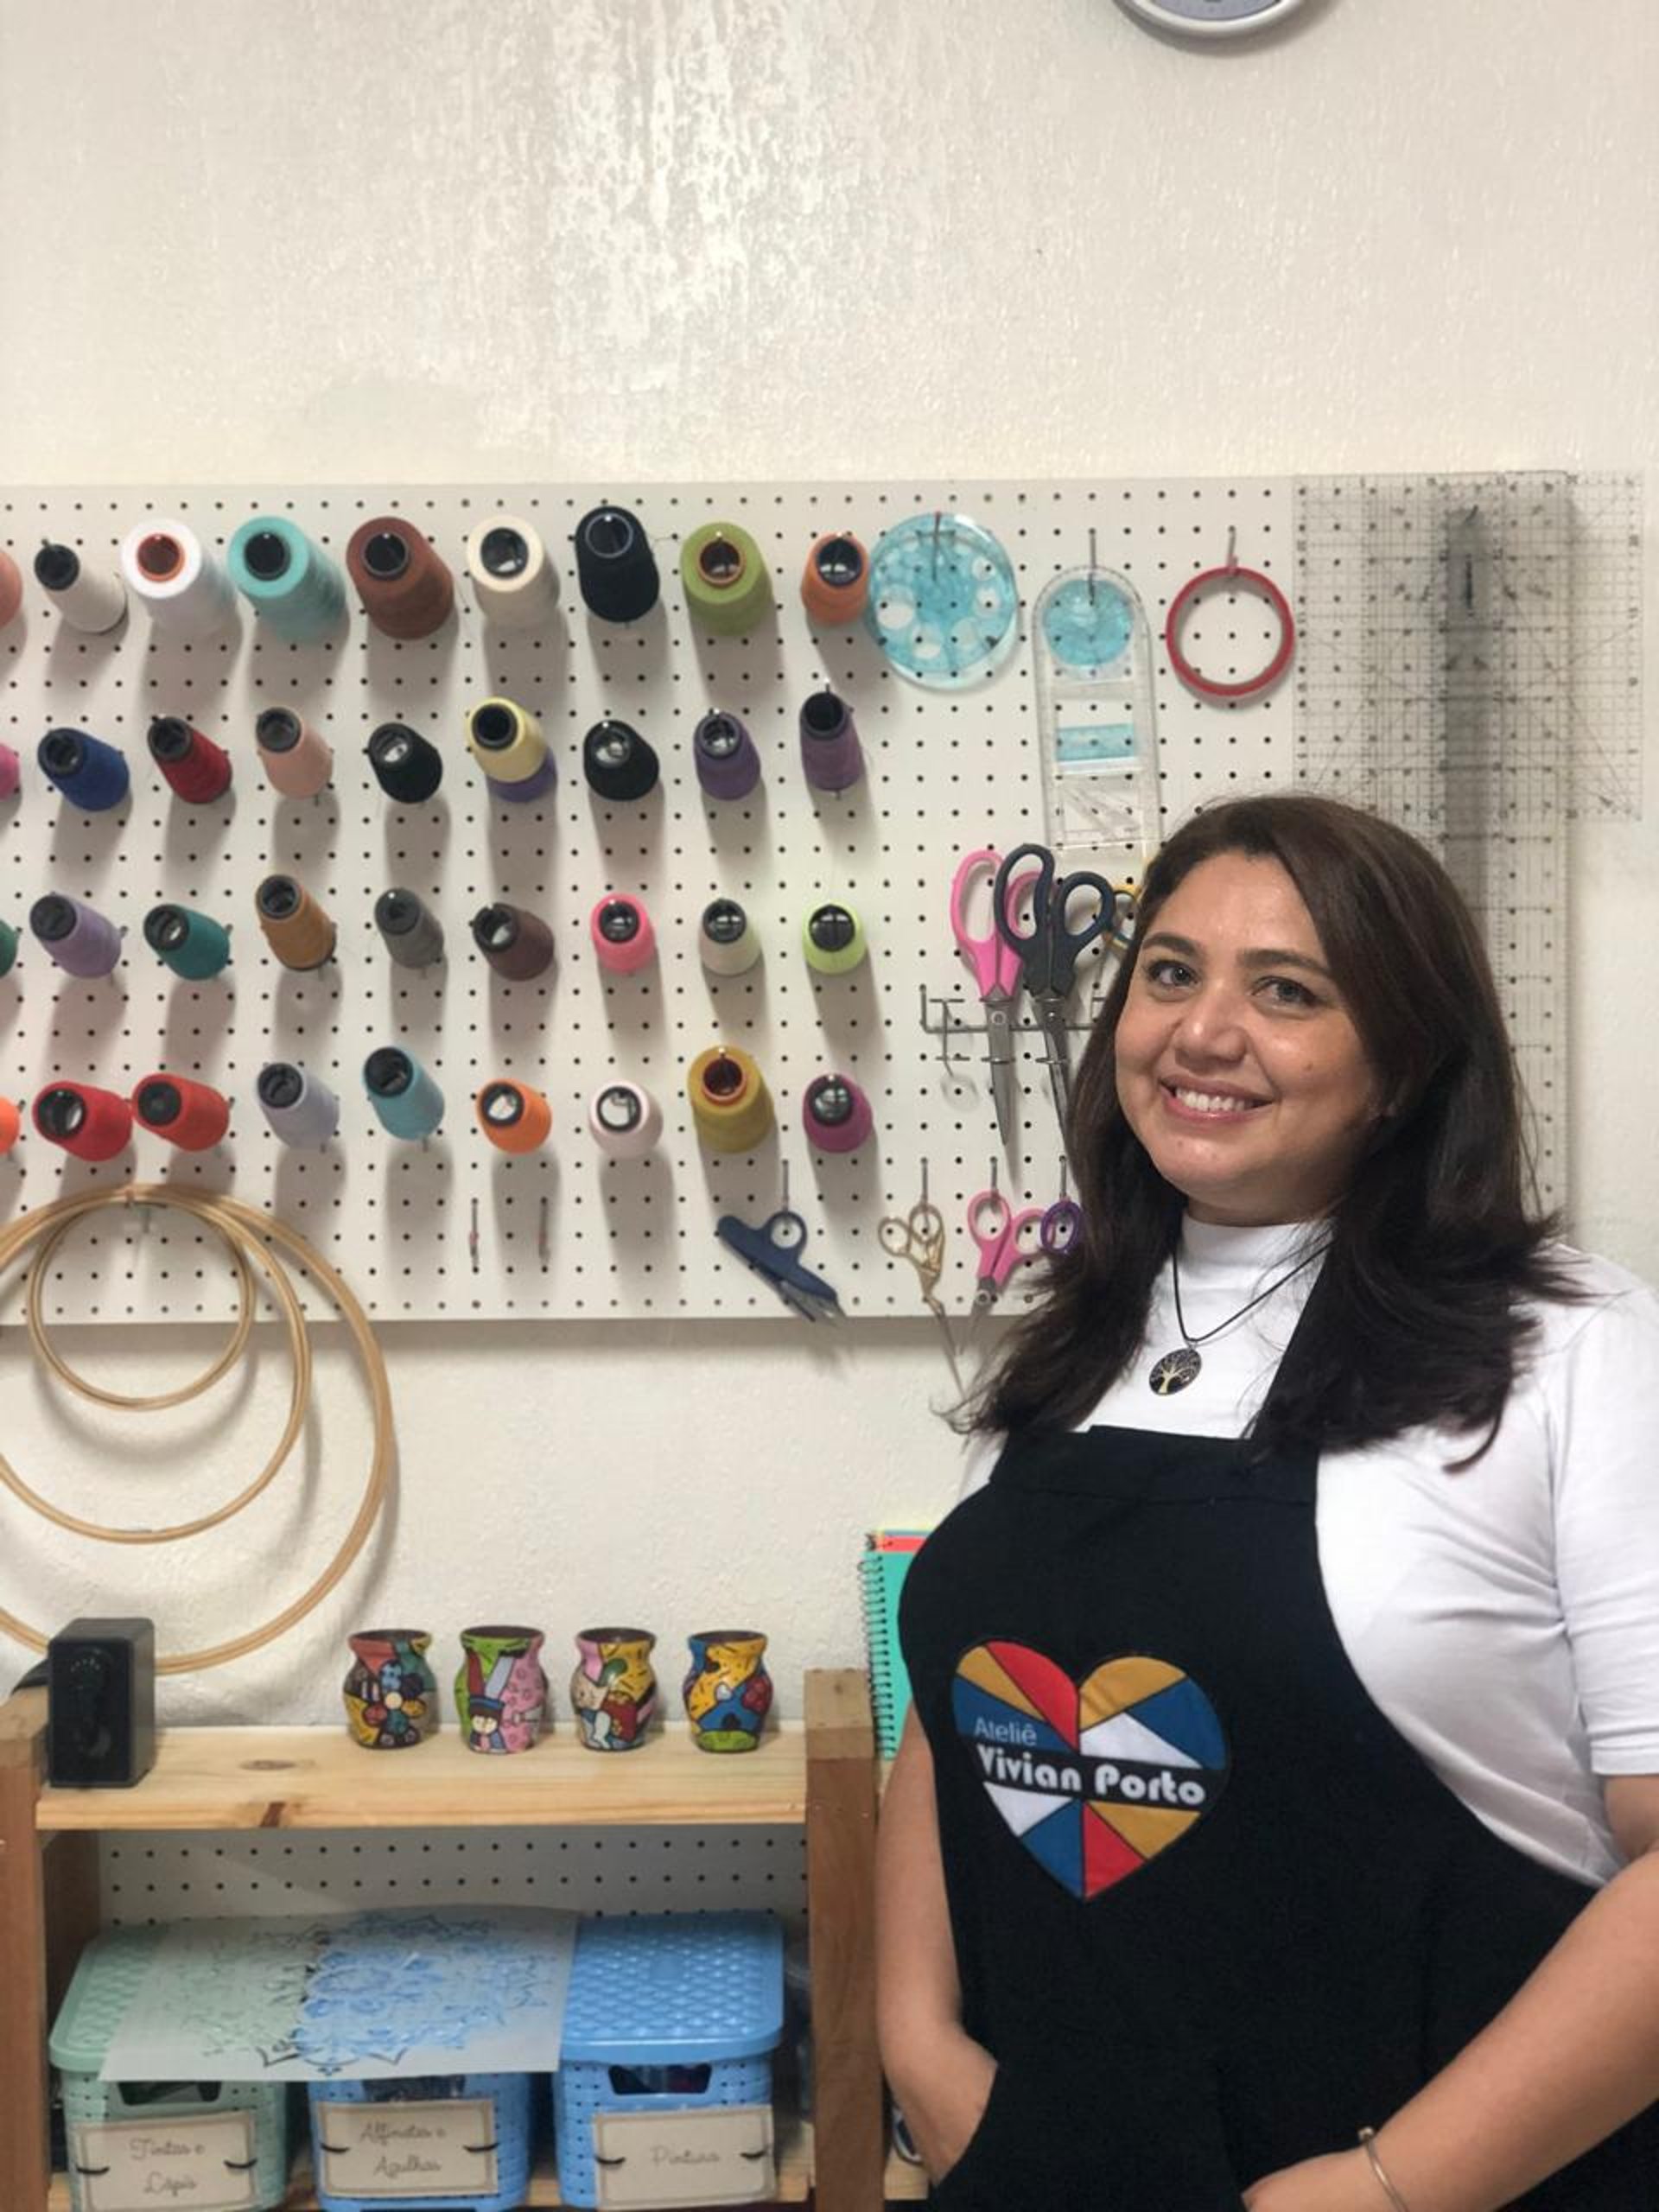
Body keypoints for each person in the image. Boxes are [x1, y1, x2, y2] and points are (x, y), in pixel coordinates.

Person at [878, 793, 1659, 2211]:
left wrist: (1387, 2190)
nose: (1202, 1032)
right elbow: (968, 1707)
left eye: (1287, 991)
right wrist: (920, 2046)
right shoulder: (1080, 1328)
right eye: (1169, 972)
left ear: (1407, 1064)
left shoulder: (1569, 1349)